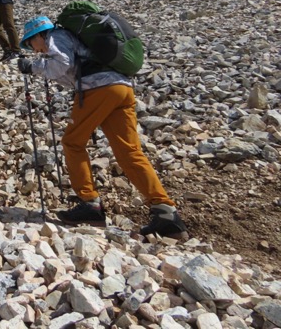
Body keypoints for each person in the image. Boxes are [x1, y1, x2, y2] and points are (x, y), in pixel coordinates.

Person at [17, 15, 188, 239]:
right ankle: (166, 213)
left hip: (98, 88)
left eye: (31, 42)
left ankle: (90, 204)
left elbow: (62, 64)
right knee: (129, 150)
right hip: (122, 88)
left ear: (39, 34)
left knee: (72, 143)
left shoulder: (55, 36)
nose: (33, 48)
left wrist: (33, 66)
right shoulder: (74, 40)